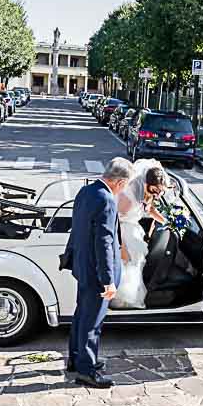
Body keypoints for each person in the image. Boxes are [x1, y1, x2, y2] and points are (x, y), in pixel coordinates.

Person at [64, 157, 132, 388]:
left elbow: (78, 230)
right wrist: (108, 280)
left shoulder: (86, 192)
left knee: (81, 315)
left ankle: (76, 359)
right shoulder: (107, 200)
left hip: (82, 267)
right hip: (96, 272)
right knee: (92, 322)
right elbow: (104, 242)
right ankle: (86, 371)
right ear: (120, 182)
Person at [111, 160, 169, 309]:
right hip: (123, 232)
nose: (157, 194)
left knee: (136, 263)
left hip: (133, 229)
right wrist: (121, 248)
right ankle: (123, 300)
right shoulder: (128, 198)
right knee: (129, 263)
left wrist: (166, 221)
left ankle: (132, 298)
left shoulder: (145, 192)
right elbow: (113, 221)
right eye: (155, 190)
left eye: (160, 191)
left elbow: (149, 209)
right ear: (146, 183)